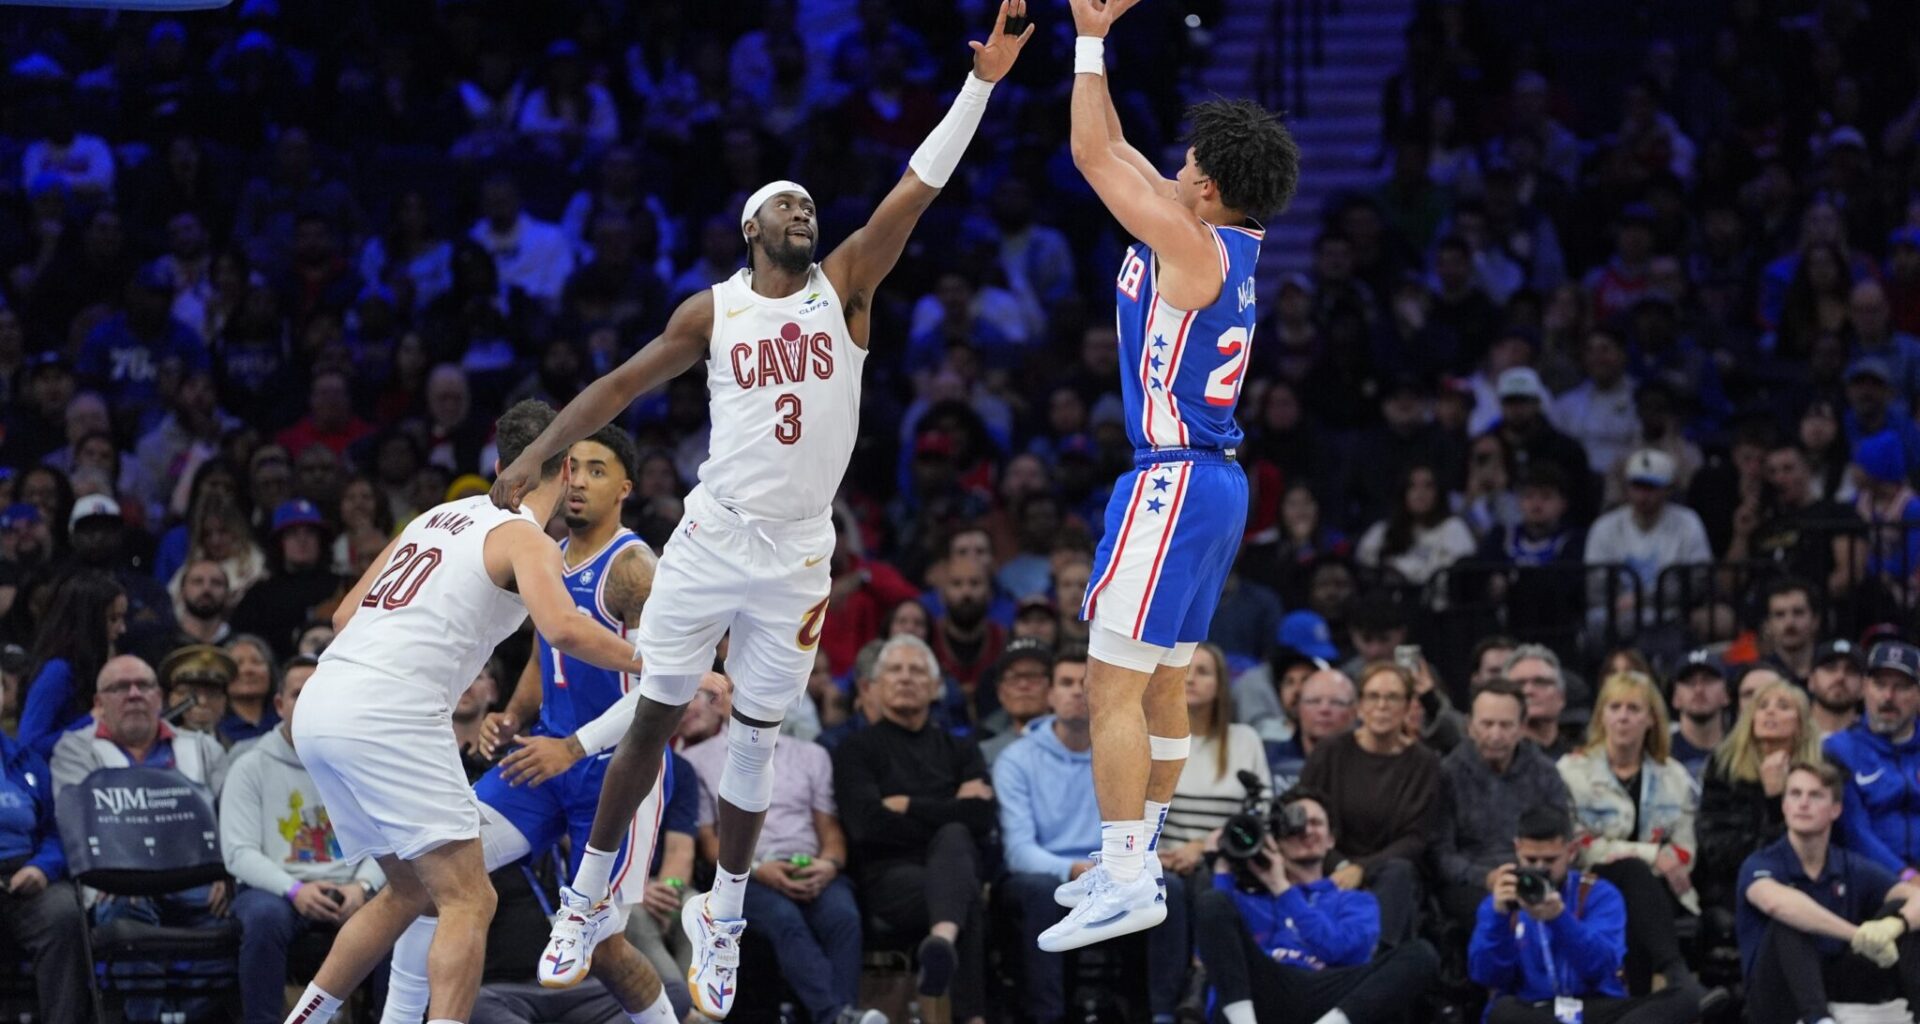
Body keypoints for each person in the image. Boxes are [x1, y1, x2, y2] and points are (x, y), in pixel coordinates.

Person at [486, 12, 1033, 1012]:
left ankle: (724, 915)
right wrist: (534, 454)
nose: (803, 213)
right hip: (712, 533)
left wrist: (984, 84)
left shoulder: (850, 287)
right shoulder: (715, 310)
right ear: (752, 226)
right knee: (655, 714)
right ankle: (585, 895)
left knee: (755, 735)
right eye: (785, 204)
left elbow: (920, 185)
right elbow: (616, 387)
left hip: (795, 554)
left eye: (809, 204)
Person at [1039, 0, 1301, 954]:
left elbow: (1088, 158)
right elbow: (1113, 148)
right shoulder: (1219, 239)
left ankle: (1120, 872)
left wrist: (1089, 39)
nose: (1178, 166)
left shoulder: (1189, 243)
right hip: (1214, 483)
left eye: (1193, 164)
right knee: (1159, 683)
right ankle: (1138, 857)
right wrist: (1095, 38)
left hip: (1176, 477)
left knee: (1111, 685)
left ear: (1214, 189)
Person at [283, 400, 650, 1024]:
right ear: (563, 472)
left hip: (320, 704)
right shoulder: (524, 538)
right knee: (469, 898)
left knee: (407, 891)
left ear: (501, 462)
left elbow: (344, 617)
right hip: (388, 712)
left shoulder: (436, 516)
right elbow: (562, 629)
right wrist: (658, 666)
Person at [380, 426, 678, 1024]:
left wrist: (572, 746)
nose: (579, 481)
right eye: (573, 468)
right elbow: (550, 654)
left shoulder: (635, 568)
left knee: (606, 946)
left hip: (615, 770)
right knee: (432, 872)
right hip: (544, 760)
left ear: (625, 487)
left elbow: (662, 692)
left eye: (597, 470)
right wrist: (512, 715)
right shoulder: (546, 556)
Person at [996, 646, 1190, 1024]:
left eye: (1084, 682)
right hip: (1052, 871)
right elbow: (1019, 851)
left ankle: (1161, 1013)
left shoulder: (1129, 751)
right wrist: (1073, 869)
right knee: (1037, 891)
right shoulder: (1016, 759)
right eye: (1065, 683)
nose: (1077, 692)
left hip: (1113, 865)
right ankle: (1047, 1016)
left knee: (1174, 891)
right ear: (1049, 694)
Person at [681, 672, 883, 1024]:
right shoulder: (700, 760)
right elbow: (709, 844)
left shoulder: (813, 754)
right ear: (721, 701)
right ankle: (838, 1016)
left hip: (812, 865)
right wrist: (758, 869)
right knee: (784, 919)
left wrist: (830, 865)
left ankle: (842, 1014)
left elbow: (829, 830)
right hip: (745, 873)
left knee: (843, 917)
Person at [832, 635, 995, 1021]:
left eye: (917, 670)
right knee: (963, 887)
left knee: (956, 854)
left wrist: (907, 805)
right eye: (895, 670)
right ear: (875, 685)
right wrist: (952, 806)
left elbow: (983, 820)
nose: (906, 678)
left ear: (936, 687)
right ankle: (972, 1015)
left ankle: (942, 941)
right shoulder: (855, 750)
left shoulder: (961, 749)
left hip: (949, 868)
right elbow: (867, 826)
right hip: (890, 877)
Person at [220, 654, 387, 1024]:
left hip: (351, 887)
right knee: (263, 917)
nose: (310, 700)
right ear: (279, 705)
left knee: (395, 912)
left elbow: (387, 839)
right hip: (277, 890)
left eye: (320, 691)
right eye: (299, 693)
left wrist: (362, 886)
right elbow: (239, 852)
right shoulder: (249, 764)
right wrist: (295, 890)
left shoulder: (359, 762)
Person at [1192, 788, 1440, 1024]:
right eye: (1295, 824)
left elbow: (1338, 950)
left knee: (1421, 954)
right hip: (1264, 988)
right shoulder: (1250, 898)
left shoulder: (1354, 900)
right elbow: (1212, 958)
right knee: (1212, 902)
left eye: (1316, 823)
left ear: (1331, 839)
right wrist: (1222, 867)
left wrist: (1283, 889)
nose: (1306, 830)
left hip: (1328, 992)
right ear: (1276, 839)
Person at [1470, 805, 1697, 1024]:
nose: (1539, 869)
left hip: (1590, 1008)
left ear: (1571, 851)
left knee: (1682, 999)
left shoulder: (1600, 893)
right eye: (1530, 860)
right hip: (1534, 1010)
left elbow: (1603, 967)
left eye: (1550, 861)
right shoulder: (1501, 902)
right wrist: (1497, 919)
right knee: (1502, 1012)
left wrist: (1560, 919)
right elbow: (1485, 977)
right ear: (1517, 849)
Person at [1736, 761, 1920, 1024]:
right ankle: (1819, 1020)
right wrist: (1857, 935)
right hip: (1775, 996)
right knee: (1790, 921)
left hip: (1838, 985)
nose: (1803, 803)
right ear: (1784, 805)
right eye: (1795, 794)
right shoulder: (1761, 862)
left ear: (1836, 809)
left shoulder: (1849, 864)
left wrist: (1895, 924)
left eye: (1815, 795)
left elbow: (1915, 896)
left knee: (1902, 909)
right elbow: (1777, 904)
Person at [1556, 672, 1703, 993]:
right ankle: (1675, 976)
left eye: (1634, 709)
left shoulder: (1674, 777)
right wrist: (1653, 854)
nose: (1623, 717)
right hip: (1589, 884)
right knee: (1632, 874)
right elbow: (1579, 847)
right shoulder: (1571, 772)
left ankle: (1633, 1003)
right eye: (1615, 707)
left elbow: (1685, 852)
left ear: (1651, 719)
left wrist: (1663, 859)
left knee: (1634, 893)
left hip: (1661, 891)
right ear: (1602, 716)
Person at [1298, 662, 1439, 946]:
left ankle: (1376, 963)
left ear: (1408, 706)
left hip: (1390, 873)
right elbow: (1304, 813)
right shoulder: (1330, 752)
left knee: (1399, 873)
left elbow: (1416, 838)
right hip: (1328, 865)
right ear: (1359, 706)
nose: (1382, 706)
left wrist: (1362, 868)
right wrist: (1340, 866)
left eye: (1392, 697)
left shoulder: (1424, 763)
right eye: (1373, 696)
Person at [1432, 680, 1572, 924]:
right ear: (1469, 726)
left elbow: (1563, 835)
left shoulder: (1544, 773)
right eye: (1487, 724)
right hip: (1472, 882)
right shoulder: (1447, 774)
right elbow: (1441, 853)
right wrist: (1487, 877)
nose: (1495, 735)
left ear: (1521, 727)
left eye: (1506, 725)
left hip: (1538, 872)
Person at [0, 717, 100, 1024]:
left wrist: (42, 867)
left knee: (64, 914)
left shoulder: (26, 761)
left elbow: (58, 832)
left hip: (24, 872)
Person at [1696, 680, 1825, 914]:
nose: (1770, 711)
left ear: (1801, 724)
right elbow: (1721, 854)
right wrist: (1772, 802)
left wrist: (1777, 798)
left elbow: (1810, 854)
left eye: (1783, 706)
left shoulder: (1821, 773)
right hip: (1735, 890)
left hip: (1804, 890)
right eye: (1762, 705)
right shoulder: (1724, 768)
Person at [1161, 642, 1273, 875]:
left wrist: (1203, 847)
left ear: (1220, 684)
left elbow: (1262, 813)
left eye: (1203, 672)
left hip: (1228, 860)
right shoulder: (1156, 739)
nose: (1191, 679)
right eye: (1184, 669)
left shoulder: (1246, 740)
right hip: (1165, 862)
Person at [1823, 639, 1920, 874]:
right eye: (1880, 684)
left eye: (1901, 687)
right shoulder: (1839, 749)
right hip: (1869, 880)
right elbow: (1853, 830)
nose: (1888, 696)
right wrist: (1904, 875)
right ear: (1864, 688)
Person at [16, 570, 127, 758]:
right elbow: (29, 746)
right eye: (113, 619)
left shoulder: (103, 663)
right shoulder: (58, 671)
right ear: (89, 621)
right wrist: (91, 721)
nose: (123, 628)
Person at [979, 636, 1055, 764]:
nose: (1023, 685)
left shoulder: (1083, 746)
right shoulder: (983, 754)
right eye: (1013, 677)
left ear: (1053, 687)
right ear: (1000, 692)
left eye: (1033, 675)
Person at [1665, 649, 1729, 776]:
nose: (1699, 689)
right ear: (1675, 698)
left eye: (1708, 680)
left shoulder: (1741, 749)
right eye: (1689, 682)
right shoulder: (1660, 750)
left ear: (1726, 694)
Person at [1807, 639, 1864, 737]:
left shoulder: (1874, 741)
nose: (1840, 677)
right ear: (1811, 680)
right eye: (1830, 668)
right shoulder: (1790, 733)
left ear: (1864, 687)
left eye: (1851, 671)